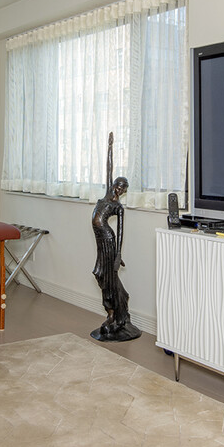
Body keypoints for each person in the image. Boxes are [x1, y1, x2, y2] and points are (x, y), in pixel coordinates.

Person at [90, 132, 140, 341]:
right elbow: (109, 167)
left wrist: (118, 255)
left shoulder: (118, 207)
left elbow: (120, 233)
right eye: (118, 184)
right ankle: (113, 310)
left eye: (123, 187)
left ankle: (114, 314)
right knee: (99, 274)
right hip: (100, 241)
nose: (119, 188)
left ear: (124, 191)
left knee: (108, 277)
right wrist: (110, 147)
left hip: (109, 242)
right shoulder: (105, 196)